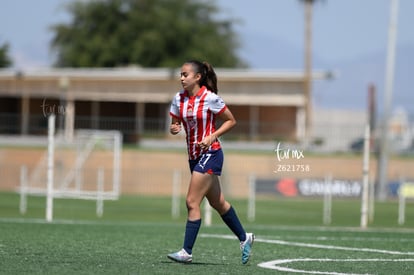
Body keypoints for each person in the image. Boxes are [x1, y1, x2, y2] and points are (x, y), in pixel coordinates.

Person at [167, 60, 254, 264]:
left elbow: (231, 120)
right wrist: (174, 128)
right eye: (181, 74)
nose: (181, 78)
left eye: (185, 74)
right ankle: (245, 238)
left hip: (212, 154)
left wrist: (212, 136)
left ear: (197, 77)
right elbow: (175, 123)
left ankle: (186, 252)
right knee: (218, 203)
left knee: (191, 202)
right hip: (194, 157)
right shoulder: (178, 99)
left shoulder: (210, 98)